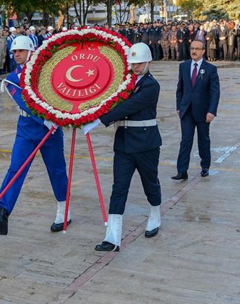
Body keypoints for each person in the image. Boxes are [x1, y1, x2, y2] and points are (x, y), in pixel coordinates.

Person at [0, 35, 69, 236]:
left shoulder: (47, 72)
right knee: (15, 170)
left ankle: (64, 211)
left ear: (31, 51)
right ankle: (2, 215)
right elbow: (24, 103)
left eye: (20, 51)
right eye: (14, 52)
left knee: (56, 170)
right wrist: (47, 120)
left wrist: (64, 114)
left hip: (51, 131)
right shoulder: (12, 78)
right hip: (28, 129)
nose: (17, 54)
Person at [83, 43, 163, 252]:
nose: (135, 67)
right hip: (124, 143)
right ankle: (112, 237)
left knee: (150, 183)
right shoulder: (123, 83)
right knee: (119, 187)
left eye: (139, 63)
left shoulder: (151, 86)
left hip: (146, 143)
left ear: (148, 63)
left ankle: (155, 214)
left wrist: (100, 120)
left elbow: (130, 105)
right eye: (133, 64)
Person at [172, 39, 220, 181]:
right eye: (192, 48)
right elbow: (179, 89)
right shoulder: (184, 66)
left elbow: (215, 92)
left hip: (203, 111)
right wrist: (179, 106)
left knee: (203, 140)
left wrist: (211, 111)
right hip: (186, 110)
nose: (194, 51)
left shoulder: (210, 69)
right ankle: (182, 171)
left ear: (203, 51)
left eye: (197, 49)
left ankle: (205, 166)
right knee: (185, 140)